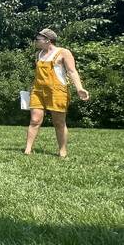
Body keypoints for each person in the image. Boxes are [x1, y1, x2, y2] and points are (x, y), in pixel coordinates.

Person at [24, 28, 90, 158]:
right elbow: (38, 75)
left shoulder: (63, 52)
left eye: (38, 39)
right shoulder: (39, 54)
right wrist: (31, 87)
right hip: (38, 91)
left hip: (57, 91)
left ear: (48, 40)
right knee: (35, 120)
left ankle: (62, 151)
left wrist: (79, 88)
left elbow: (72, 71)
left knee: (59, 122)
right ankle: (27, 149)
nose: (36, 41)